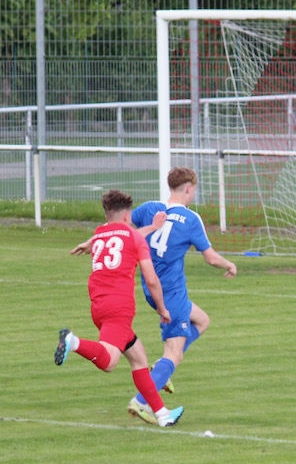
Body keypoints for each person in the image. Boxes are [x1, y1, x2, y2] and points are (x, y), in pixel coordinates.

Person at [72, 167, 237, 425]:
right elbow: (210, 258)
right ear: (189, 189)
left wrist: (91, 242)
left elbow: (118, 229)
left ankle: (162, 368)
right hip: (170, 292)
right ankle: (143, 399)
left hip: (150, 291)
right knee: (175, 353)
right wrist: (229, 264)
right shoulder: (191, 219)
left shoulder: (150, 209)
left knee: (202, 320)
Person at [55, 188, 184, 428]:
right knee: (110, 362)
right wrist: (162, 308)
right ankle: (73, 342)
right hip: (119, 307)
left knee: (139, 359)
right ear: (127, 215)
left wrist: (151, 228)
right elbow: (152, 279)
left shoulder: (99, 235)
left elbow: (123, 237)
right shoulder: (134, 238)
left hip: (99, 306)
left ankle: (162, 414)